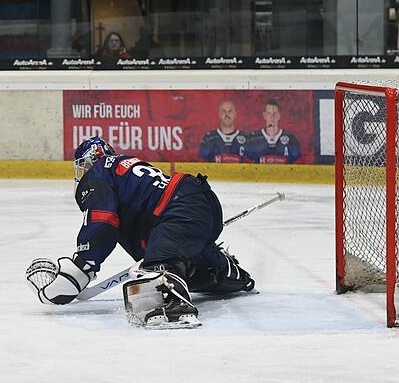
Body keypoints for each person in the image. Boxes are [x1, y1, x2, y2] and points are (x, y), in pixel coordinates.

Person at [26, 137, 255, 330]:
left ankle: (172, 306)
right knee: (184, 260)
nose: (83, 173)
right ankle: (225, 270)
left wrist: (81, 267)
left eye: (82, 166)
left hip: (180, 208)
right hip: (195, 204)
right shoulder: (124, 168)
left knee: (151, 278)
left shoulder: (99, 171)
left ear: (90, 160)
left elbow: (103, 221)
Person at [246, 98, 302, 164]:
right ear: (264, 115)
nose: (272, 117)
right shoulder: (253, 139)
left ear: (279, 115)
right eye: (269, 113)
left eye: (275, 114)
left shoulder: (291, 139)